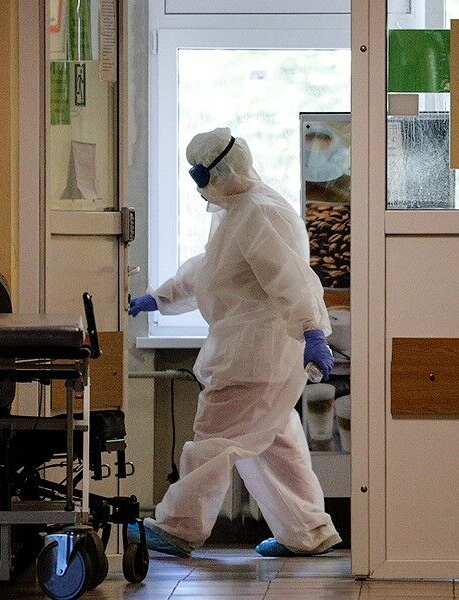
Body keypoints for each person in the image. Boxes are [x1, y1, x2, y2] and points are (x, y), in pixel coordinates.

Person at [127, 127, 340, 558]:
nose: (198, 185)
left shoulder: (260, 212)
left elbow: (291, 278)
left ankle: (178, 526)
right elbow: (213, 269)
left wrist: (312, 330)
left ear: (221, 172)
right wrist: (161, 297)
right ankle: (309, 531)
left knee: (213, 438)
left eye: (200, 175)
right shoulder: (240, 211)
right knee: (276, 444)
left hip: (253, 355)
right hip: (263, 355)